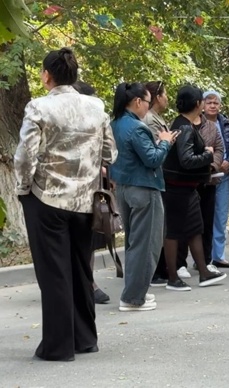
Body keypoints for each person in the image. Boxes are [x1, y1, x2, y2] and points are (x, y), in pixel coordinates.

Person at [14, 48, 117, 361]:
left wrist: (23, 188)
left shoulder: (39, 107)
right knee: (81, 267)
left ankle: (58, 346)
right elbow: (110, 154)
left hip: (47, 198)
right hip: (86, 200)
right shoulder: (96, 107)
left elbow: (25, 156)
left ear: (47, 75)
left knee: (54, 272)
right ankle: (86, 339)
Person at [110, 82, 177, 311]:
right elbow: (153, 159)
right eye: (148, 102)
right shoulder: (137, 127)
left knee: (133, 243)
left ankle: (135, 291)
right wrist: (165, 142)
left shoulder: (115, 124)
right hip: (144, 189)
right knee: (146, 244)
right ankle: (132, 298)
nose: (149, 107)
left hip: (123, 188)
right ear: (138, 101)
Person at [161, 85, 227, 291]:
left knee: (195, 229)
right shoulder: (186, 127)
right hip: (177, 188)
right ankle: (173, 278)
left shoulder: (181, 124)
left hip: (187, 187)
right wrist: (207, 155)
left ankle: (204, 271)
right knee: (173, 232)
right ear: (198, 104)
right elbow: (187, 160)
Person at [73, 80, 113, 304]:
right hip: (65, 194)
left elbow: (109, 153)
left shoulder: (94, 125)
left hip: (91, 191)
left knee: (90, 239)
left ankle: (89, 282)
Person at [203, 91, 229, 269]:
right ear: (202, 105)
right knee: (204, 217)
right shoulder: (197, 123)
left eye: (216, 102)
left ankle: (218, 256)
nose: (213, 105)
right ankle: (203, 257)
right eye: (209, 102)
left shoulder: (227, 124)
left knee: (221, 216)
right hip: (205, 177)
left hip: (225, 175)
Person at [142, 81, 171, 287]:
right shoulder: (150, 120)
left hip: (160, 175)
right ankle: (154, 271)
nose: (167, 98)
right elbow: (155, 149)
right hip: (154, 176)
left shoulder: (157, 118)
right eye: (165, 94)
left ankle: (160, 268)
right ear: (157, 97)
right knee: (155, 226)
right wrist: (168, 142)